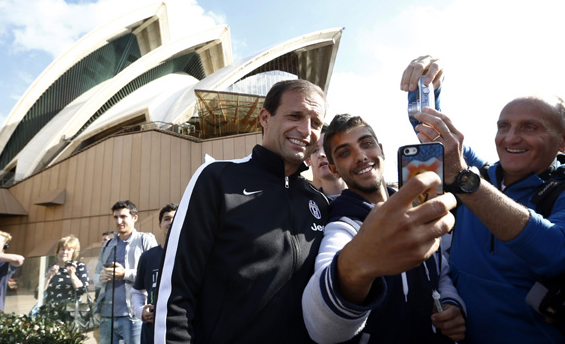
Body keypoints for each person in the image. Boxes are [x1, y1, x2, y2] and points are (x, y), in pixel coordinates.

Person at [154, 79, 457, 343]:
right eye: (295, 116)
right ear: (265, 118)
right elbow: (175, 292)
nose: (306, 130)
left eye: (316, 123)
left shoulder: (320, 203)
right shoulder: (217, 178)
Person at [402, 56, 565, 343]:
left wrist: (465, 179)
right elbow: (434, 135)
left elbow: (555, 254)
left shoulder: (559, 189)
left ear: (561, 142)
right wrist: (426, 86)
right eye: (504, 126)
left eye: (530, 127)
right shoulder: (484, 174)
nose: (510, 138)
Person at [302, 114, 466, 343]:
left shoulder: (418, 206)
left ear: (381, 150)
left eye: (366, 144)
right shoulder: (342, 226)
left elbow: (440, 269)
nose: (360, 156)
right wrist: (355, 265)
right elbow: (322, 328)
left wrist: (451, 303)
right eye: (345, 153)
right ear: (334, 169)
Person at [94, 200, 158, 344]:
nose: (119, 221)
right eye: (116, 217)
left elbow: (153, 275)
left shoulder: (145, 240)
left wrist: (125, 274)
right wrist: (101, 277)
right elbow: (96, 277)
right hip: (107, 316)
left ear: (134, 218)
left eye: (123, 216)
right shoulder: (109, 244)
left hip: (133, 316)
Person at [131, 203, 177, 344]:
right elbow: (137, 291)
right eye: (166, 219)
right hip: (152, 329)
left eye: (175, 218)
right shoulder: (147, 257)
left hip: (180, 327)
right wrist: (141, 312)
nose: (170, 222)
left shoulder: (192, 255)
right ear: (160, 224)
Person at [41, 235, 89, 321]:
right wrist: (48, 277)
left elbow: (82, 290)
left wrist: (72, 275)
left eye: (69, 249)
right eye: (62, 249)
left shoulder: (80, 267)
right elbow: (38, 293)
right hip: (51, 315)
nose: (64, 252)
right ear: (58, 251)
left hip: (70, 315)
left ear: (74, 252)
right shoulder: (50, 268)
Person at [305, 124, 346, 198]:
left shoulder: (366, 197)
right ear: (308, 160)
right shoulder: (301, 203)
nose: (321, 154)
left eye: (327, 147)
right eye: (315, 150)